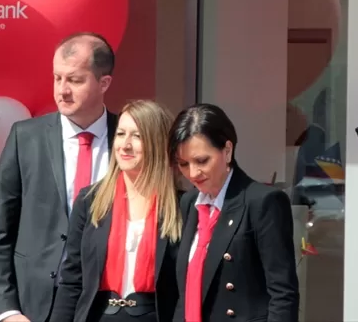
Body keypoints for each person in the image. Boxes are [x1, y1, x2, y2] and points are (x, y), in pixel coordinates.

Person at [0, 33, 122, 322]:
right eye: (57, 78)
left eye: (75, 80)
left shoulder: (127, 139)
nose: (62, 90)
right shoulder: (26, 137)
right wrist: (7, 311)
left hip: (108, 301)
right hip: (35, 304)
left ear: (104, 83)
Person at [50, 100, 182, 322]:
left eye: (137, 136)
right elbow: (72, 280)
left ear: (157, 142)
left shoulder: (182, 206)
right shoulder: (90, 200)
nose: (125, 145)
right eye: (121, 134)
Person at [169, 103, 298, 322]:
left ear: (227, 150)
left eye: (202, 161)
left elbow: (283, 294)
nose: (193, 173)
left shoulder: (262, 202)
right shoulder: (189, 203)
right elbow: (185, 290)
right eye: (183, 164)